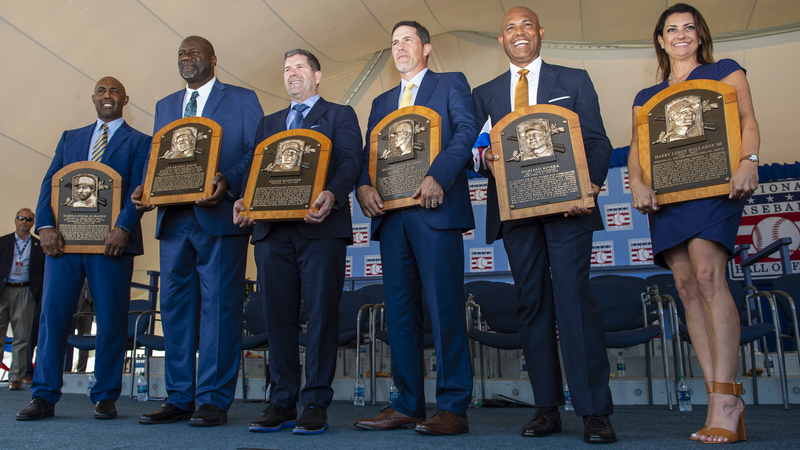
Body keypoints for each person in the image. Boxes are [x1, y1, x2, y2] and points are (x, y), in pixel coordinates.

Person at [472, 7, 616, 443]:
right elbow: (476, 150)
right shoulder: (485, 93)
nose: (519, 33)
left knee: (574, 301)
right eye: (510, 28)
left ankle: (594, 411)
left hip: (568, 210)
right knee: (532, 306)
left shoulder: (574, 80)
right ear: (501, 40)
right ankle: (546, 409)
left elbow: (597, 141)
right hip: (516, 215)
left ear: (540, 32)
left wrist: (590, 186)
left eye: (527, 25)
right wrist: (485, 158)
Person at [628, 3, 759, 444]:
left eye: (689, 27)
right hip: (668, 197)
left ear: (699, 35)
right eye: (672, 29)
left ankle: (728, 398)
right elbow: (637, 147)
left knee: (707, 277)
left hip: (715, 187)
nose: (681, 35)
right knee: (685, 287)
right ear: (661, 40)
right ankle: (714, 398)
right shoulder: (647, 95)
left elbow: (747, 119)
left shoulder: (724, 70)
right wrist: (636, 183)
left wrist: (749, 161)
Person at [354, 20, 477, 436]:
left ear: (426, 48)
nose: (400, 47)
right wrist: (361, 185)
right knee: (400, 313)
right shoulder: (380, 101)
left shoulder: (450, 83)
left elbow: (466, 131)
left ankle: (453, 406)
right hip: (392, 218)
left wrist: (438, 175)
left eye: (408, 39)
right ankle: (406, 404)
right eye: (394, 42)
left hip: (435, 209)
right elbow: (368, 155)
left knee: (444, 308)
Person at [133, 35, 263, 427]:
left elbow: (256, 150)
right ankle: (179, 397)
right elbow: (159, 156)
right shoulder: (165, 105)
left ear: (213, 59)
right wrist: (146, 186)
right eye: (181, 53)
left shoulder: (241, 98)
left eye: (194, 52)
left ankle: (212, 399)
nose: (187, 58)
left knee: (219, 309)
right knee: (174, 310)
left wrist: (230, 179)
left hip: (218, 216)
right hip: (174, 220)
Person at [233, 48, 361, 436]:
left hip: (320, 228)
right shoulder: (269, 122)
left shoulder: (340, 115)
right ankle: (282, 401)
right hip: (272, 233)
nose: (292, 74)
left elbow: (351, 162)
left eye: (300, 67)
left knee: (322, 315)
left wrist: (333, 195)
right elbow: (256, 170)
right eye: (287, 69)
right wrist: (244, 199)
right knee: (278, 317)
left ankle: (316, 402)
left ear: (317, 76)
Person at [16, 76, 150, 420]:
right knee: (52, 317)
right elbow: (49, 184)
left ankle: (105, 395)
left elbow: (139, 189)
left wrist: (123, 227)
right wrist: (45, 227)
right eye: (101, 90)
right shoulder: (70, 137)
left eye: (114, 91)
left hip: (111, 245)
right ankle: (43, 395)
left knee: (112, 319)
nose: (107, 95)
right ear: (93, 98)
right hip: (64, 244)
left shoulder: (140, 141)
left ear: (125, 99)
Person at [0, 208, 44, 391]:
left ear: (33, 223)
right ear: (15, 220)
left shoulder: (39, 245)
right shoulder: (3, 242)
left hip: (25, 291)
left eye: (28, 219)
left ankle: (15, 378)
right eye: (21, 218)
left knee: (21, 337)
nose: (24, 221)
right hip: (3, 290)